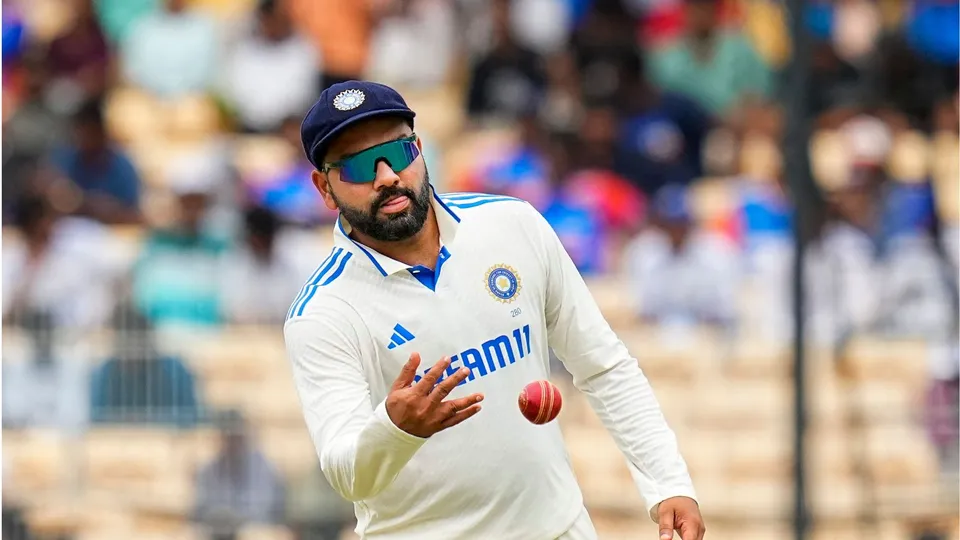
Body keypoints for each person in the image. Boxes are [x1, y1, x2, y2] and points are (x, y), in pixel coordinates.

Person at [284, 80, 705, 540]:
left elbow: (604, 366)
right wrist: (395, 428)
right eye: (361, 166)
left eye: (399, 153)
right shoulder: (322, 312)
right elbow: (347, 474)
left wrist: (668, 483)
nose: (387, 176)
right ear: (325, 188)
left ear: (420, 150)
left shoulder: (511, 224)